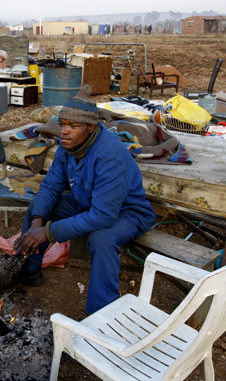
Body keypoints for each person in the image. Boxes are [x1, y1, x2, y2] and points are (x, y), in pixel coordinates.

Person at [13, 86, 155, 315]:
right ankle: (29, 271)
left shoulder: (109, 154)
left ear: (91, 128)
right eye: (62, 124)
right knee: (37, 208)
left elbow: (104, 216)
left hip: (127, 212)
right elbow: (51, 186)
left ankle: (101, 311)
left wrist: (48, 233)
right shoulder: (68, 145)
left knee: (102, 238)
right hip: (89, 203)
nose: (64, 132)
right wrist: (39, 222)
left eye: (73, 126)